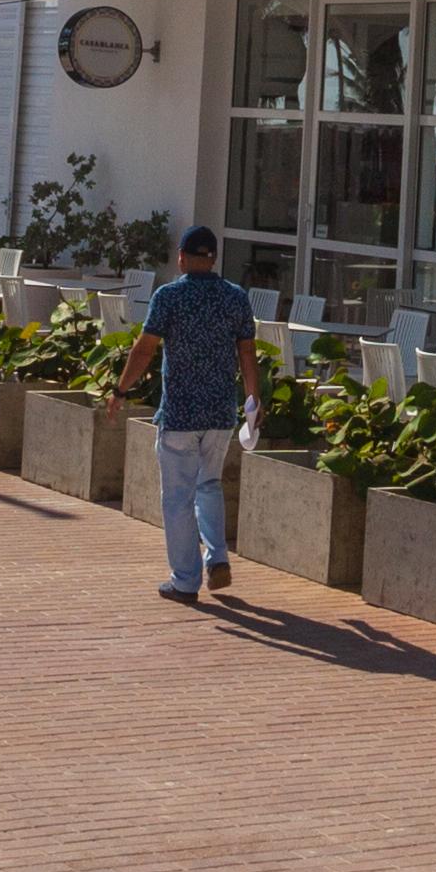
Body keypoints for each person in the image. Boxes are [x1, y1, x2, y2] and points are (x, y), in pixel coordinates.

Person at [107, 225, 252, 605]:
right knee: (209, 486)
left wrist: (121, 390)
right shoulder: (235, 298)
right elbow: (248, 352)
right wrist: (253, 398)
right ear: (214, 259)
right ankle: (217, 556)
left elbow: (144, 349)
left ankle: (185, 580)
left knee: (177, 497)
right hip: (220, 411)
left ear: (182, 258)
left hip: (180, 413)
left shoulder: (169, 296)